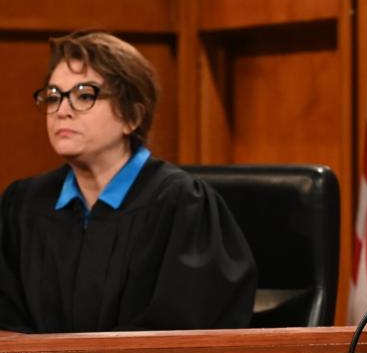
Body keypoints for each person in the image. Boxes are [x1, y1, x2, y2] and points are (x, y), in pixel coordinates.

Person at [0, 32, 256, 333]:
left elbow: (188, 337)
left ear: (131, 116)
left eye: (84, 95)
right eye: (54, 96)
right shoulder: (25, 205)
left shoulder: (182, 204)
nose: (62, 111)